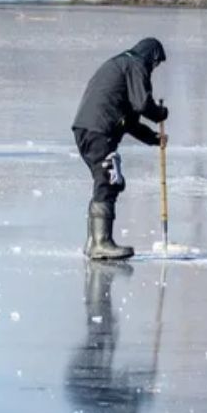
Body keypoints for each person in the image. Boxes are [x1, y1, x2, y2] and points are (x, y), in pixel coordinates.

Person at [71, 38, 168, 261]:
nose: (154, 69)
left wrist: (154, 138)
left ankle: (94, 241)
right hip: (98, 129)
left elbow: (130, 121)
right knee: (108, 179)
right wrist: (159, 114)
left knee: (105, 180)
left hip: (88, 128)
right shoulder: (135, 64)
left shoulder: (122, 66)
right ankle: (101, 243)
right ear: (151, 56)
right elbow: (143, 104)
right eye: (156, 64)